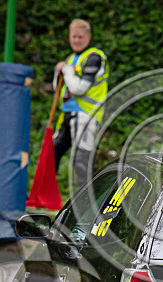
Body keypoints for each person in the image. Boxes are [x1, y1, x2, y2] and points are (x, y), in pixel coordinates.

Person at [53, 19, 108, 189]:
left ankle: (86, 203)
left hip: (86, 115)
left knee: (82, 160)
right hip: (67, 115)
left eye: (80, 37)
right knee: (52, 153)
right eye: (73, 36)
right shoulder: (71, 58)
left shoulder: (94, 56)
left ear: (88, 37)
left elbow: (79, 88)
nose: (76, 40)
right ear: (69, 37)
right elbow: (59, 89)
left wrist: (66, 71)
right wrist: (58, 73)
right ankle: (47, 195)